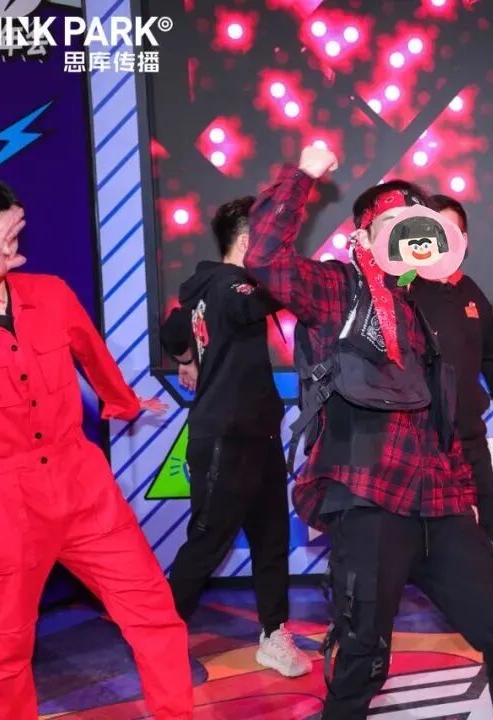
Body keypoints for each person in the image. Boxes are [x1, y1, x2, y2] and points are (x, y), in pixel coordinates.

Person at [244, 145, 493, 719]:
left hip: (440, 507)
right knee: (362, 658)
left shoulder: (424, 308)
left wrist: (466, 498)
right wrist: (303, 175)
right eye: (395, 225)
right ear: (365, 235)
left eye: (417, 226)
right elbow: (265, 258)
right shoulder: (337, 290)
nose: (410, 237)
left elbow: (439, 423)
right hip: (368, 501)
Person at [0, 177, 193, 720]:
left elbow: (92, 352)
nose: (3, 246)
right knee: (5, 647)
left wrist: (122, 401)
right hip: (8, 500)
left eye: (11, 233)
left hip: (83, 485)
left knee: (153, 612)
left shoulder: (49, 292)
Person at [160, 196, 311, 677]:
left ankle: (273, 633)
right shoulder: (230, 284)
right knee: (208, 542)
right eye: (271, 241)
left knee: (271, 540)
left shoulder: (202, 289)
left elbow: (173, 331)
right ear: (247, 242)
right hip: (225, 435)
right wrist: (289, 274)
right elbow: (262, 299)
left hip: (256, 432)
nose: (278, 250)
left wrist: (187, 358)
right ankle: (158, 638)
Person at [408, 194, 493, 555]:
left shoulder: (471, 292)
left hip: (469, 433)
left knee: (489, 524)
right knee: (413, 532)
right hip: (419, 437)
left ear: (464, 240)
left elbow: (491, 354)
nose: (445, 238)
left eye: (453, 230)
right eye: (436, 230)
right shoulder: (405, 288)